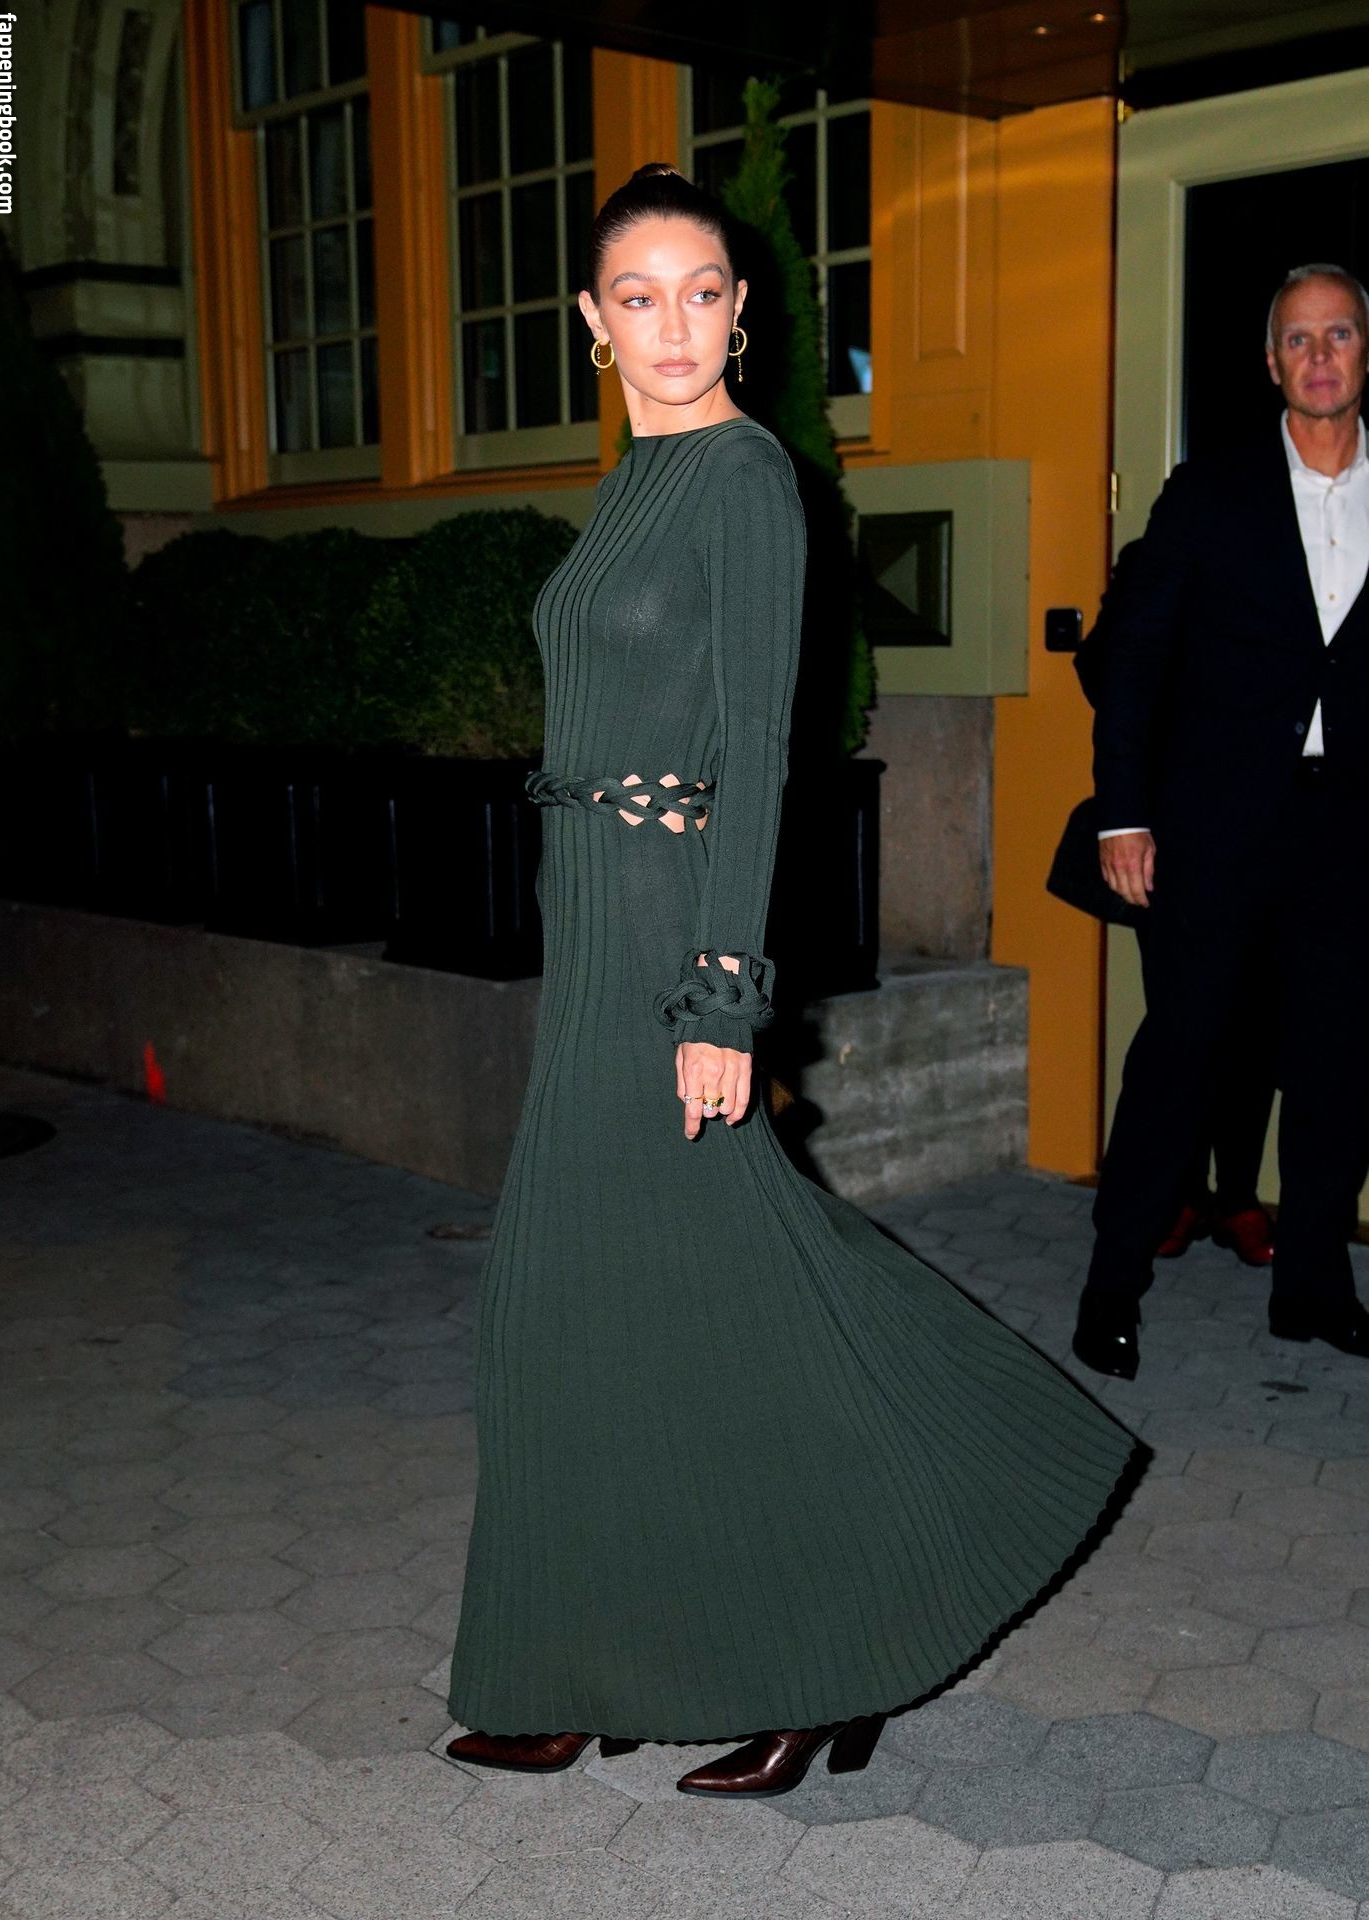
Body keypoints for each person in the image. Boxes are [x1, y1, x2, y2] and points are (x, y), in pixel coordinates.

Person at [445, 163, 1137, 1798]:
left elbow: (759, 752)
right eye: (639, 297)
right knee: (580, 1305)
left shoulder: (749, 480)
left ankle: (856, 1622)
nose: (673, 325)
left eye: (702, 293)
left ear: (740, 310)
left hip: (668, 936)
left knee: (726, 1286)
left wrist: (720, 999)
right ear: (591, 319)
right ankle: (587, 1663)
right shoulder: (636, 479)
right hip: (591, 922)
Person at [1073, 263, 1369, 1382]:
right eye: (1297, 339)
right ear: (1270, 363)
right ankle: (1110, 1287)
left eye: (1337, 334)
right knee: (1180, 1055)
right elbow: (1134, 661)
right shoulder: (1209, 492)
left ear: (1364, 349)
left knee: (1336, 1064)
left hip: (1347, 835)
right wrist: (1123, 814)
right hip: (1215, 828)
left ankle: (1313, 1287)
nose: (1319, 356)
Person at [1074, 548, 1277, 1271]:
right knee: (1182, 1025)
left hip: (1274, 831)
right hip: (1176, 839)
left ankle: (1239, 1196)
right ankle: (1179, 1194)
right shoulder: (1163, 554)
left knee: (1256, 1022)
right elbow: (1101, 669)